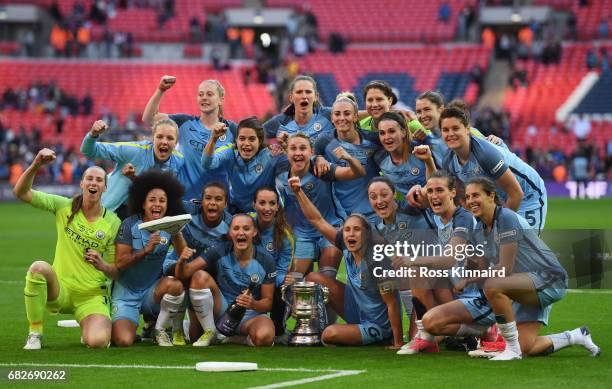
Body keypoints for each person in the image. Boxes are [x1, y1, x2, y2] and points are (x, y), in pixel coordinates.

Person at [462, 177, 600, 360]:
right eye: (468, 196)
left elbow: (504, 268)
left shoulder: (506, 218)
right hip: (524, 283)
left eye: (475, 195)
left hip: (549, 279)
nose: (471, 200)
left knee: (492, 285)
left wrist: (469, 279)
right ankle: (576, 336)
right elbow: (481, 264)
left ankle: (511, 349)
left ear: (491, 196)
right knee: (527, 346)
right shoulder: (479, 228)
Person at [15, 148, 121, 350]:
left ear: (105, 188)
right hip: (61, 290)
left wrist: (102, 264)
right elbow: (21, 192)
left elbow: (117, 271)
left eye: (99, 180)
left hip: (91, 296)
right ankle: (35, 332)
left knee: (98, 342)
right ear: (82, 184)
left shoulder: (113, 222)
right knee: (38, 267)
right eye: (89, 178)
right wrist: (37, 163)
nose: (93, 183)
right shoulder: (64, 206)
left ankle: (88, 325)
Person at [288, 176, 403, 348]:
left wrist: (398, 342)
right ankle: (315, 327)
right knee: (314, 277)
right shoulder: (345, 243)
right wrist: (298, 192)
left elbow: (392, 303)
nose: (350, 234)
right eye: (347, 230)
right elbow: (317, 220)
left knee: (330, 334)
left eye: (357, 230)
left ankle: (379, 337)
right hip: (355, 310)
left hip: (377, 324)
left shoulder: (378, 261)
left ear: (367, 234)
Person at [395, 171, 497, 355]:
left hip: (479, 296)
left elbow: (450, 259)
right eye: (431, 191)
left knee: (417, 268)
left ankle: (485, 330)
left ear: (452, 193)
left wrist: (411, 260)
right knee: (418, 272)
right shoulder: (433, 216)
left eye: (440, 190)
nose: (434, 196)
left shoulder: (463, 217)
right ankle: (427, 338)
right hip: (455, 289)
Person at [410, 105, 547, 231]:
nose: (450, 133)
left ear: (467, 129)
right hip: (500, 199)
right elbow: (454, 195)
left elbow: (516, 193)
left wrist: (499, 230)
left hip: (528, 196)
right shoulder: (449, 160)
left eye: (456, 128)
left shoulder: (484, 154)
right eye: (445, 130)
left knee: (523, 248)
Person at [111, 171, 187, 347]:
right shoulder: (129, 225)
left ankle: (158, 328)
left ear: (168, 204)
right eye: (152, 200)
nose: (157, 204)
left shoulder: (169, 225)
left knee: (175, 285)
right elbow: (120, 263)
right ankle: (131, 323)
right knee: (123, 341)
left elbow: (184, 256)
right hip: (126, 293)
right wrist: (146, 250)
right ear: (143, 203)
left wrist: (177, 232)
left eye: (162, 200)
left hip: (152, 292)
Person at [176, 214, 277, 346]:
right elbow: (184, 274)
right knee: (199, 276)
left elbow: (268, 303)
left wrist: (252, 303)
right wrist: (181, 261)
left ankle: (232, 338)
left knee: (265, 337)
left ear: (254, 232)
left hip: (250, 315)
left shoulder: (266, 260)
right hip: (222, 309)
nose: (241, 232)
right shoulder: (220, 250)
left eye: (246, 229)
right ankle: (210, 331)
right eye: (236, 228)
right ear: (230, 233)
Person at [276, 133, 365, 279]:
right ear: (287, 152)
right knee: (293, 281)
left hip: (330, 228)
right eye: (293, 148)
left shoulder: (321, 169)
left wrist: (348, 158)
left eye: (303, 148)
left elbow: (358, 173)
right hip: (303, 235)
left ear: (311, 152)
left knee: (326, 278)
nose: (298, 152)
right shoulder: (280, 174)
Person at [142, 76, 237, 200]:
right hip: (185, 202)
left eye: (209, 94)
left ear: (221, 99)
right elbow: (149, 119)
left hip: (217, 203)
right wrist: (160, 90)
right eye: (200, 94)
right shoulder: (184, 122)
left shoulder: (232, 129)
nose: (204, 97)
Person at [162, 182, 232, 346]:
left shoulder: (231, 226)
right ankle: (170, 327)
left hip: (206, 282)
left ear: (226, 203)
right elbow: (160, 199)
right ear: (200, 201)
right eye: (208, 198)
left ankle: (198, 327)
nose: (212, 203)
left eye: (218, 199)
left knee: (194, 336)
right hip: (179, 267)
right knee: (177, 276)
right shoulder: (188, 211)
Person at [367, 176, 435, 340]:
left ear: (394, 194)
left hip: (438, 281)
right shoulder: (377, 228)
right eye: (373, 197)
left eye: (384, 194)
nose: (379, 201)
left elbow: (435, 187)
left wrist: (419, 188)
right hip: (415, 288)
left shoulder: (413, 208)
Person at [80, 119, 184, 219]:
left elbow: (152, 193)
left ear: (176, 143)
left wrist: (133, 177)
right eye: (160, 137)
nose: (164, 142)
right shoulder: (133, 150)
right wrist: (93, 134)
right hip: (107, 210)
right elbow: (88, 150)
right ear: (153, 138)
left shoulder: (178, 161)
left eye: (170, 138)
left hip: (137, 218)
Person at [314, 93, 381, 222]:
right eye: (337, 114)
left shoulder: (373, 139)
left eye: (347, 113)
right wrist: (318, 157)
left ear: (356, 116)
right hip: (343, 217)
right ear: (332, 118)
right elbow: (313, 156)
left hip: (375, 213)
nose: (342, 118)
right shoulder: (323, 142)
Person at [202, 116, 288, 213]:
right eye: (242, 138)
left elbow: (292, 174)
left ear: (259, 141)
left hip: (268, 211)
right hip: (237, 209)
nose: (246, 143)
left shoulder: (272, 154)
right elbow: (207, 164)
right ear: (236, 140)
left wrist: (287, 149)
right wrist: (213, 139)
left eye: (251, 139)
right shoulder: (229, 152)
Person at [252, 187, 294, 338]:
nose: (267, 208)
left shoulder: (284, 236)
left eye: (272, 203)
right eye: (262, 203)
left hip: (269, 284)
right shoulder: (244, 226)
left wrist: (283, 279)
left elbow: (281, 272)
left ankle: (278, 329)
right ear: (254, 205)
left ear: (278, 206)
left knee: (286, 286)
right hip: (242, 282)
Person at [373, 111, 439, 199]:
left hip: (435, 205)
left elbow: (439, 182)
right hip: (410, 210)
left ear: (403, 132)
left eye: (392, 131)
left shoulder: (420, 150)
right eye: (382, 133)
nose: (387, 137)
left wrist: (428, 160)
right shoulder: (379, 158)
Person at [263, 75, 334, 143]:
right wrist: (268, 150)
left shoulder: (329, 114)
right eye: (299, 92)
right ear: (291, 98)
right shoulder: (281, 121)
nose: (304, 96)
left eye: (308, 92)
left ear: (316, 97)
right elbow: (256, 134)